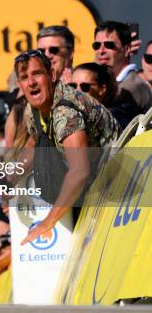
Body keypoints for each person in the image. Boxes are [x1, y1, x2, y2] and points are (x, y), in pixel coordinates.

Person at [15, 50, 121, 245]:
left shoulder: (65, 111)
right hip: (95, 183)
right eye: (24, 77)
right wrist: (8, 181)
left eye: (37, 73)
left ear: (52, 75)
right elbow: (32, 147)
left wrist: (48, 222)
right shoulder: (34, 109)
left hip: (116, 187)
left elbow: (80, 171)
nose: (31, 82)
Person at [94, 21, 152, 116]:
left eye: (109, 45)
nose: (101, 51)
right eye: (97, 46)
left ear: (127, 49)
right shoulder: (103, 81)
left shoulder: (132, 88)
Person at [69, 62, 132, 128]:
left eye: (85, 86)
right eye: (73, 86)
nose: (77, 91)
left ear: (102, 89)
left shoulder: (115, 118)